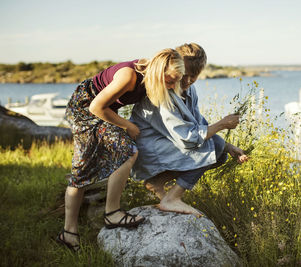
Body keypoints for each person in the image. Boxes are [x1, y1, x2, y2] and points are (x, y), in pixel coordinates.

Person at [57, 48, 185, 252]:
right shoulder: (129, 76)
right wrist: (127, 126)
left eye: (175, 81)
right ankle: (111, 213)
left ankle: (69, 233)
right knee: (125, 152)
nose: (171, 86)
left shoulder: (152, 80)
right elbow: (96, 107)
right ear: (157, 71)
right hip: (84, 109)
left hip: (101, 110)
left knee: (87, 169)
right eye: (169, 80)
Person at [130, 43, 248, 216]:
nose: (185, 81)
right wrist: (222, 124)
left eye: (193, 77)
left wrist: (228, 146)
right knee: (213, 147)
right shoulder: (164, 90)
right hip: (149, 148)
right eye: (183, 75)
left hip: (169, 142)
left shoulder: (189, 90)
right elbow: (189, 139)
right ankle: (172, 199)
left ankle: (156, 182)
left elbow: (197, 123)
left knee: (220, 152)